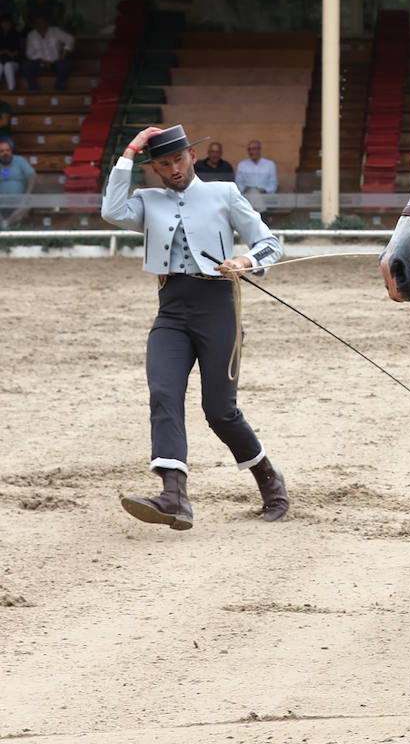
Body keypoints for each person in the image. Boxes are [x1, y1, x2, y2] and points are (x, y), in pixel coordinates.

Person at [101, 124, 291, 529]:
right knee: (163, 392)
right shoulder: (146, 201)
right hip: (170, 311)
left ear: (191, 156)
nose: (174, 169)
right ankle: (174, 496)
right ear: (154, 169)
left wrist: (244, 261)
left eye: (179, 159)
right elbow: (111, 211)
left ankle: (269, 480)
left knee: (219, 411)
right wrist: (130, 151)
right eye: (164, 164)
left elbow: (270, 242)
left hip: (218, 307)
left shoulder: (223, 193)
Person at [22, 16, 74, 91]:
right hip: (39, 63)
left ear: (47, 23)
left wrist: (64, 53)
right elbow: (29, 53)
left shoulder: (55, 31)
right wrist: (42, 61)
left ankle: (59, 88)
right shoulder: (31, 35)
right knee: (26, 66)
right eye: (37, 23)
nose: (39, 24)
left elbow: (70, 39)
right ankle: (34, 90)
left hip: (55, 63)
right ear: (34, 25)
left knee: (65, 65)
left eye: (41, 22)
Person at [0, 138, 35, 228]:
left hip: (19, 200)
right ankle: (2, 224)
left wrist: (28, 193)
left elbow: (32, 175)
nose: (5, 153)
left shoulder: (20, 160)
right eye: (2, 151)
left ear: (11, 151)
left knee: (27, 205)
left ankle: (6, 223)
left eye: (7, 150)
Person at [234, 139, 277, 210]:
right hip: (247, 196)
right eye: (249, 149)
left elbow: (273, 184)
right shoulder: (242, 165)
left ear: (259, 150)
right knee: (253, 191)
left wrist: (263, 190)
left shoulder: (270, 164)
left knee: (255, 193)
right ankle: (261, 213)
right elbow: (238, 183)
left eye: (253, 149)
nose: (251, 152)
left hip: (265, 196)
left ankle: (256, 214)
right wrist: (247, 189)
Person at [0, 15, 20, 91]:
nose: (6, 24)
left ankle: (11, 90)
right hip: (1, 61)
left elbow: (16, 53)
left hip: (13, 62)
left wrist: (9, 53)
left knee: (8, 66)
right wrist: (5, 51)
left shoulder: (15, 34)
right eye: (4, 22)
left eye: (8, 23)